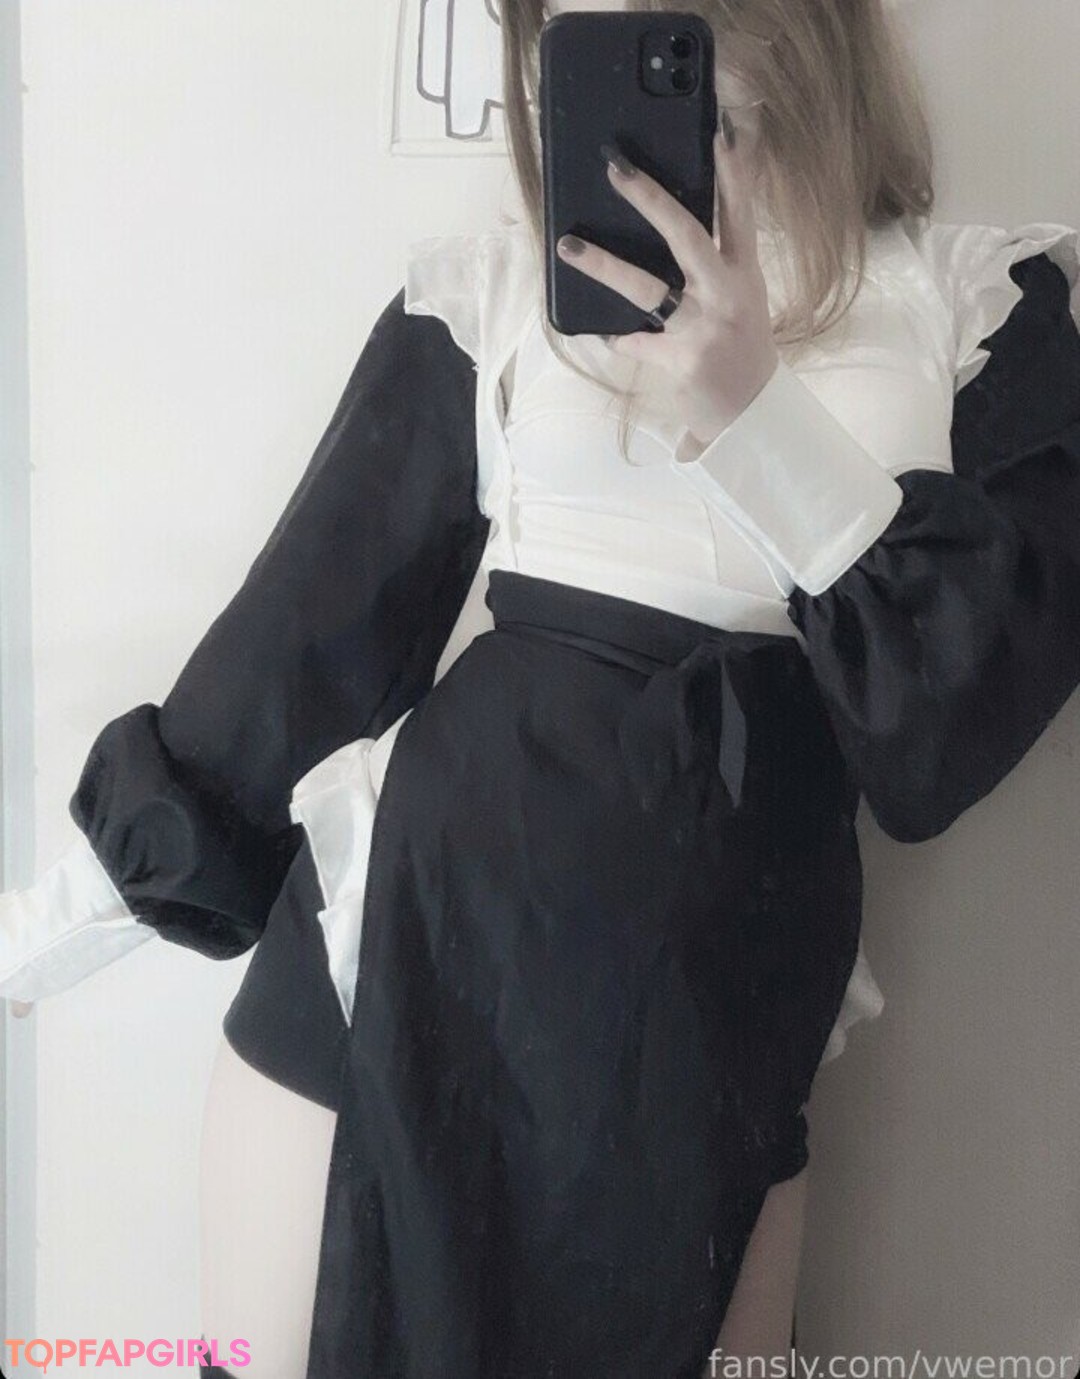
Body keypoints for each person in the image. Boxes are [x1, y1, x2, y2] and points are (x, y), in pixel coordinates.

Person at [3, 1, 1080, 1375]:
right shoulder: (502, 288)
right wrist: (31, 940)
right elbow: (297, 653)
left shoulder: (977, 303)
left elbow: (948, 729)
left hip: (713, 1024)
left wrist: (753, 416)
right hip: (399, 967)